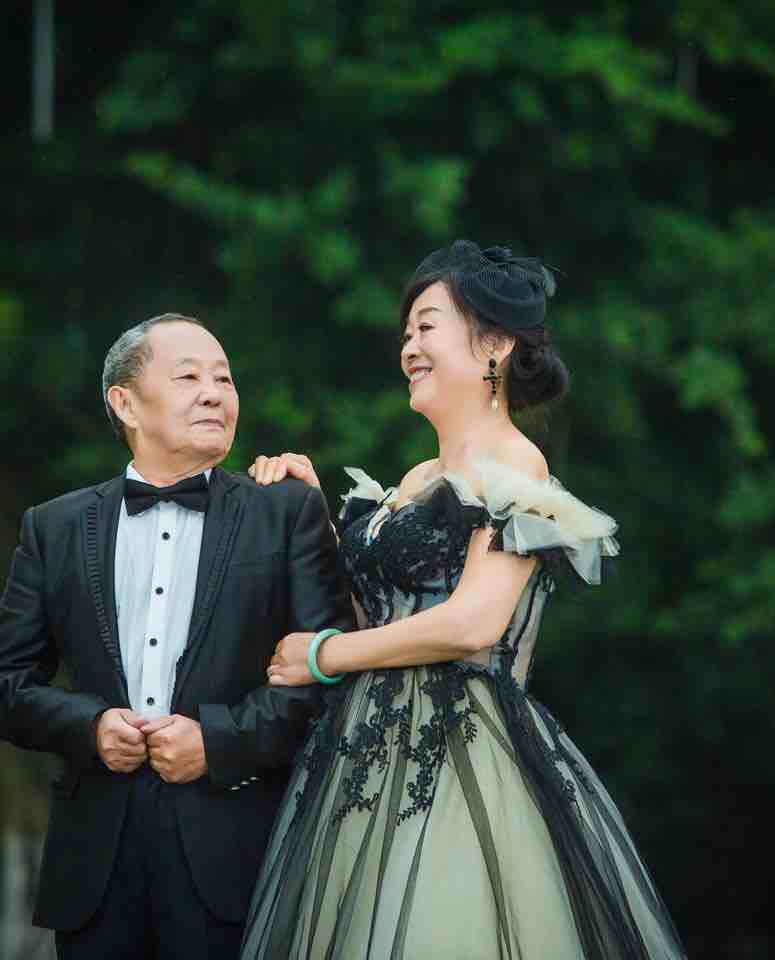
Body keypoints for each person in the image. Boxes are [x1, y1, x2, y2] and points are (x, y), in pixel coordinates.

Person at [239, 242, 687, 959]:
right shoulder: (415, 479)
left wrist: (323, 655)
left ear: (496, 345)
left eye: (427, 327)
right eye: (406, 334)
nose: (409, 348)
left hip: (462, 758)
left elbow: (473, 624)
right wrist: (312, 516)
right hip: (362, 757)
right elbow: (380, 618)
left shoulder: (515, 463)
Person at [0, 314, 353, 959]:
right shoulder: (55, 527)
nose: (214, 394)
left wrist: (219, 741)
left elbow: (328, 673)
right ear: (125, 403)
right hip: (95, 864)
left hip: (237, 853)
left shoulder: (287, 512)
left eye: (224, 379)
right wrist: (88, 726)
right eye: (188, 377)